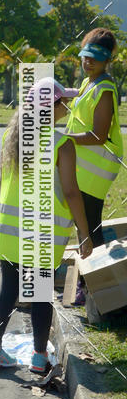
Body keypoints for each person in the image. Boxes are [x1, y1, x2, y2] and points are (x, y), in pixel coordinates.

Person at [0, 78, 93, 375]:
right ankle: (39, 357)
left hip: (8, 230)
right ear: (51, 108)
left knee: (8, 290)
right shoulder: (62, 143)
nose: (67, 106)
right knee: (40, 293)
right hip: (41, 234)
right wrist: (84, 232)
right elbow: (71, 192)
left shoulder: (11, 135)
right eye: (63, 102)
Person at [64, 28, 123, 250]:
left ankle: (97, 281)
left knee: (89, 226)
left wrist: (65, 140)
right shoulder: (89, 82)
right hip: (84, 167)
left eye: (95, 59)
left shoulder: (104, 89)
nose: (88, 62)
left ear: (107, 60)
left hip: (95, 170)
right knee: (84, 226)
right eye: (85, 57)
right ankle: (90, 281)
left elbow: (98, 136)